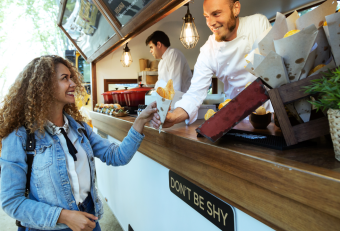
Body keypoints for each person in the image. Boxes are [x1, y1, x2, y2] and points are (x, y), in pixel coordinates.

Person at [0, 55, 157, 231]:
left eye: (71, 77)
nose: (73, 84)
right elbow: (12, 201)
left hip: (89, 219)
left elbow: (117, 156)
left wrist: (140, 121)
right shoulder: (19, 137)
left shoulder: (80, 128)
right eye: (64, 78)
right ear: (44, 86)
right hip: (49, 227)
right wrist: (65, 217)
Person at [151, 0, 273, 129]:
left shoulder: (257, 24)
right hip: (236, 121)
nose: (210, 23)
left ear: (236, 8)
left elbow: (277, 71)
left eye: (216, 13)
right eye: (206, 16)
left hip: (270, 118)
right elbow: (194, 94)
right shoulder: (208, 50)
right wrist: (173, 117)